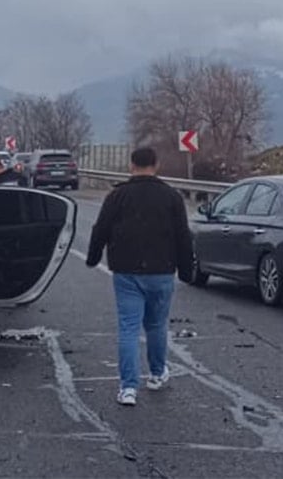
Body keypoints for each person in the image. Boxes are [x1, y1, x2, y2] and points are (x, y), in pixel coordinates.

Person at [86, 147, 193, 407]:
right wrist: (186, 269)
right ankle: (157, 374)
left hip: (126, 270)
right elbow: (183, 235)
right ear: (156, 165)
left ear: (131, 165)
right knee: (156, 325)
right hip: (162, 270)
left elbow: (101, 228)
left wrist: (92, 257)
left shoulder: (117, 196)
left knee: (129, 328)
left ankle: (128, 388)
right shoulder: (172, 197)